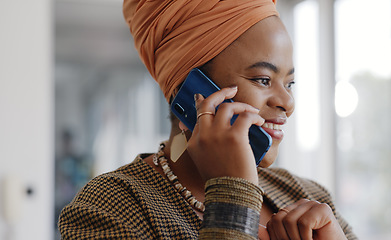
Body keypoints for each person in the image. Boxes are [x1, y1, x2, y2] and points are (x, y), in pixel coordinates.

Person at [59, 0, 358, 239]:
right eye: (263, 79)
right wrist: (233, 194)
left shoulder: (308, 197)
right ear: (193, 91)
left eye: (289, 83)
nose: (288, 103)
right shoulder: (112, 206)